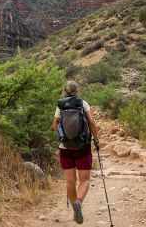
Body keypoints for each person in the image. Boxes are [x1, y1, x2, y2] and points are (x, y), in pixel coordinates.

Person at [51, 81, 99, 224]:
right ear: (77, 91)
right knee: (84, 180)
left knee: (70, 181)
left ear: (64, 91)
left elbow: (54, 126)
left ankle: (74, 208)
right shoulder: (83, 104)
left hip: (65, 147)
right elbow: (91, 122)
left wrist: (61, 130)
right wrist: (96, 140)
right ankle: (78, 202)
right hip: (82, 147)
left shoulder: (60, 105)